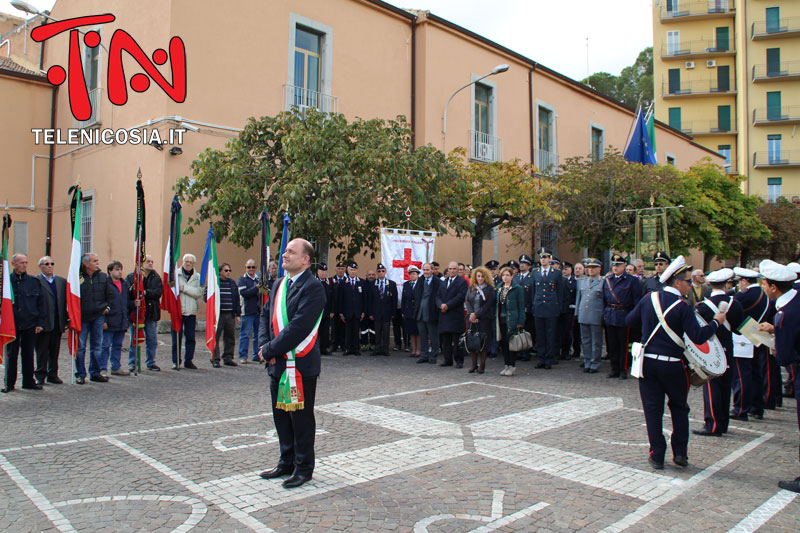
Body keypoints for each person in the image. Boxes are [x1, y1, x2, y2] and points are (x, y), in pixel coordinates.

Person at [626, 255, 726, 470]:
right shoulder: (683, 306)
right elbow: (699, 337)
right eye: (688, 281)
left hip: (648, 363)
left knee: (653, 410)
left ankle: (657, 455)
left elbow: (629, 321)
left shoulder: (648, 299)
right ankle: (680, 453)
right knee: (679, 408)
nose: (690, 285)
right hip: (673, 365)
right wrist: (716, 322)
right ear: (677, 282)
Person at [257, 238, 326, 490]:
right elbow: (266, 315)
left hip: (300, 365)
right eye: (285, 251)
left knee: (301, 418)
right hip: (276, 363)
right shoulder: (279, 284)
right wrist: (265, 347)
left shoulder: (313, 287)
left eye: (291, 252)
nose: (284, 255)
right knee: (281, 416)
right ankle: (285, 461)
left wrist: (271, 349)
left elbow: (299, 326)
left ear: (305, 259)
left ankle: (303, 467)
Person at [755, 260, 800, 493]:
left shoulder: (785, 314)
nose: (762, 287)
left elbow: (783, 358)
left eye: (764, 283)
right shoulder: (796, 297)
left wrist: (776, 343)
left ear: (773, 287)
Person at [693, 268, 744, 436]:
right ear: (727, 284)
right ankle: (723, 423)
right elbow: (738, 328)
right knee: (725, 384)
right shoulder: (735, 304)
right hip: (728, 347)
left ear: (709, 283)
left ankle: (712, 424)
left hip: (711, 350)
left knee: (712, 385)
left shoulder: (703, 307)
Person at [730, 266, 772, 421]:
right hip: (756, 336)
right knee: (755, 374)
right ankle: (756, 406)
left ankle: (741, 408)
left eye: (740, 281)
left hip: (744, 338)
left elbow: (731, 307)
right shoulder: (762, 293)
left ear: (745, 281)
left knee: (742, 375)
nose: (739, 285)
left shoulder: (747, 295)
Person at [2, 254, 45, 392]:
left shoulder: (33, 281)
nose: (24, 265)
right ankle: (9, 383)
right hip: (12, 324)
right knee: (11, 354)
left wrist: (40, 323)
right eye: (21, 263)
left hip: (29, 323)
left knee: (28, 354)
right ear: (14, 264)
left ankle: (28, 381)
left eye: (26, 262)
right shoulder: (6, 281)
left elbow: (41, 304)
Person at [603, 253, 642, 379]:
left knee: (623, 345)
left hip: (624, 315)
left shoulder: (632, 281)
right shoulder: (608, 280)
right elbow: (604, 298)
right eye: (614, 265)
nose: (615, 267)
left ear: (624, 266)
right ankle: (614, 368)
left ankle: (623, 369)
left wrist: (633, 317)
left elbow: (637, 301)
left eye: (618, 265)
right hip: (610, 314)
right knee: (612, 345)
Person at [78, 253, 112, 384]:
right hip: (82, 317)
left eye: (98, 260)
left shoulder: (103, 277)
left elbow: (109, 296)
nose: (97, 263)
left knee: (97, 346)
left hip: (98, 316)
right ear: (86, 264)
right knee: (80, 347)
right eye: (94, 261)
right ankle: (80, 374)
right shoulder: (78, 277)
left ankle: (95, 372)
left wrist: (106, 309)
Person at [126, 254, 162, 372]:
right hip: (136, 313)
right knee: (135, 339)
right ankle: (133, 363)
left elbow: (157, 292)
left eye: (152, 261)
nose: (150, 263)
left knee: (152, 340)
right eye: (148, 261)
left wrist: (145, 293)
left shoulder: (156, 277)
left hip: (150, 313)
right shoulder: (132, 277)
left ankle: (151, 362)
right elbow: (128, 293)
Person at [34, 256, 67, 385]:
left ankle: (53, 374)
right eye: (46, 263)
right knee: (42, 350)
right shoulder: (36, 280)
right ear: (40, 266)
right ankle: (40, 375)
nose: (49, 266)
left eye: (51, 263)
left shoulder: (61, 281)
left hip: (57, 320)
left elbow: (64, 301)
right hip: (44, 321)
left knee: (55, 350)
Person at [531, 247, 563, 370]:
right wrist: (534, 304)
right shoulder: (535, 272)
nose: (543, 259)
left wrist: (559, 307)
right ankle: (541, 358)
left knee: (550, 335)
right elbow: (534, 291)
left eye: (545, 257)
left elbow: (560, 292)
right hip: (539, 307)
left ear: (550, 259)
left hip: (551, 308)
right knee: (540, 335)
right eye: (541, 257)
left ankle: (549, 358)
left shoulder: (556, 273)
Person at [207, 262, 241, 367]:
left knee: (230, 337)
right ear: (220, 272)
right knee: (215, 337)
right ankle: (215, 359)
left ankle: (228, 357)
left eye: (230, 270)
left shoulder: (232, 283)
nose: (228, 273)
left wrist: (237, 314)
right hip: (218, 315)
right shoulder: (214, 283)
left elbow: (236, 299)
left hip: (230, 314)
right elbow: (206, 297)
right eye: (226, 270)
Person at [103, 261, 132, 377]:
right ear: (110, 271)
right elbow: (103, 303)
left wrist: (133, 304)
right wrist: (104, 320)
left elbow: (125, 302)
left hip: (121, 319)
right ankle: (102, 368)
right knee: (105, 346)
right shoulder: (105, 284)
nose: (120, 272)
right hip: (110, 319)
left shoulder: (124, 284)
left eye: (120, 269)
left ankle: (116, 367)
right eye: (117, 269)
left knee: (117, 345)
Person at [173, 254, 202, 369]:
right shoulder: (176, 274)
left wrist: (184, 288)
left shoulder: (198, 277)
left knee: (190, 338)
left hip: (191, 311)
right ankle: (176, 361)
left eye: (191, 262)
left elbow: (199, 292)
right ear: (182, 262)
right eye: (186, 261)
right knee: (176, 338)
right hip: (178, 311)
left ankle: (188, 360)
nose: (188, 264)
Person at [575, 257, 604, 373]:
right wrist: (577, 313)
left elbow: (604, 300)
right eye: (589, 268)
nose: (591, 270)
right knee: (585, 340)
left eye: (593, 268)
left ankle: (595, 362)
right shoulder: (582, 281)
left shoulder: (603, 281)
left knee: (596, 341)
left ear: (599, 269)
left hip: (596, 315)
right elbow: (579, 298)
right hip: (584, 314)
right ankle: (587, 361)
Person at [436, 261, 468, 368]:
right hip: (444, 315)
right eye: (450, 269)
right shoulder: (443, 282)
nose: (452, 271)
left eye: (454, 269)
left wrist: (447, 305)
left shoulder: (462, 282)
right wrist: (441, 305)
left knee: (457, 340)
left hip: (455, 315)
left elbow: (460, 297)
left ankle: (459, 360)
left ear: (457, 270)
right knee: (446, 340)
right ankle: (447, 360)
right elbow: (437, 296)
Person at [465, 266, 495, 373]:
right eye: (478, 276)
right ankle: (474, 364)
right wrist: (472, 314)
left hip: (484, 319)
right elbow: (467, 301)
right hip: (471, 318)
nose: (480, 278)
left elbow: (488, 305)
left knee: (483, 343)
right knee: (472, 341)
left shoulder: (489, 289)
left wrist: (477, 315)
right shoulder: (471, 287)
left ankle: (482, 365)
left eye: (482, 276)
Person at [496, 266, 525, 376]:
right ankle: (506, 364)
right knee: (503, 343)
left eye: (507, 275)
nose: (505, 277)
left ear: (512, 276)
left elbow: (521, 306)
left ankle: (512, 365)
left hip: (512, 318)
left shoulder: (517, 288)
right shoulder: (500, 288)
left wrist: (520, 321)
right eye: (503, 275)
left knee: (511, 343)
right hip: (501, 319)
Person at [368, 263, 397, 356]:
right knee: (377, 332)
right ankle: (377, 348)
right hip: (376, 313)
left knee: (386, 332)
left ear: (385, 272)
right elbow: (370, 300)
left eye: (383, 271)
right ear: (377, 272)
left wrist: (393, 313)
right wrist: (370, 313)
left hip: (387, 313)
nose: (381, 273)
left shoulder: (391, 284)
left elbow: (394, 300)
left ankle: (385, 349)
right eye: (379, 271)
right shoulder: (372, 284)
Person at [337, 262, 366, 356]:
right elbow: (340, 299)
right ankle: (348, 349)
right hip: (347, 312)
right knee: (348, 331)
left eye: (354, 270)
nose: (353, 272)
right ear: (348, 270)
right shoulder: (343, 283)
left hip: (358, 312)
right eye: (351, 270)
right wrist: (341, 312)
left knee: (356, 331)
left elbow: (364, 299)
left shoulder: (361, 282)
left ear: (357, 270)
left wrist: (363, 311)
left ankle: (356, 349)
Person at [415, 262, 441, 364]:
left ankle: (433, 355)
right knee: (422, 335)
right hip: (420, 313)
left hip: (431, 313)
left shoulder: (437, 282)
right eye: (424, 270)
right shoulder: (420, 281)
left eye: (427, 270)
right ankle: (424, 355)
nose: (425, 272)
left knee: (433, 336)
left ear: (432, 270)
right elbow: (417, 296)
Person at [237, 259, 261, 364]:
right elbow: (244, 293)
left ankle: (256, 355)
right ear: (245, 268)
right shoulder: (242, 279)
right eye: (248, 267)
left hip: (258, 311)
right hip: (247, 311)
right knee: (245, 334)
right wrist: (256, 288)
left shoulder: (259, 279)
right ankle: (243, 355)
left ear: (256, 268)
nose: (251, 269)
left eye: (253, 267)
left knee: (257, 335)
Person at [514, 254, 535, 362]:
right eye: (521, 263)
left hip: (528, 309)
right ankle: (519, 351)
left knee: (527, 331)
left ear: (529, 266)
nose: (521, 265)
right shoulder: (516, 277)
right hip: (517, 309)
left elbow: (532, 294)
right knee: (518, 331)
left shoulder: (532, 278)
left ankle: (526, 352)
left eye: (524, 264)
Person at [558, 261, 578, 360]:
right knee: (560, 332)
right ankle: (560, 350)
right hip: (560, 310)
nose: (564, 271)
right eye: (563, 269)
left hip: (570, 309)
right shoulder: (560, 280)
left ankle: (566, 351)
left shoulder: (575, 281)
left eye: (566, 269)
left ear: (571, 270)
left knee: (568, 331)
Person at [402, 265, 421, 358]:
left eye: (414, 274)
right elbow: (403, 299)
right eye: (411, 274)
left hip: (417, 311)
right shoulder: (406, 284)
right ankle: (413, 350)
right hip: (409, 311)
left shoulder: (421, 285)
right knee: (411, 332)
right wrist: (403, 311)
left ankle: (418, 350)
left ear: (418, 275)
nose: (412, 276)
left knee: (418, 332)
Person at [317, 262, 334, 356]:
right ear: (318, 271)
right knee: (317, 331)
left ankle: (324, 348)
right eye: (322, 271)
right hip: (317, 312)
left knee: (325, 331)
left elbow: (332, 298)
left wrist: (332, 310)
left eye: (325, 271)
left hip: (327, 311)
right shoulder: (315, 282)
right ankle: (317, 349)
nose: (324, 273)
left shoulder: (329, 283)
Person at [329, 262, 347, 352]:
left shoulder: (347, 280)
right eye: (339, 269)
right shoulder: (331, 280)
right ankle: (334, 344)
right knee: (334, 328)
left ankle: (343, 345)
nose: (340, 271)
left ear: (345, 270)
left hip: (344, 308)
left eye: (342, 269)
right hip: (334, 309)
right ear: (336, 270)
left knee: (343, 328)